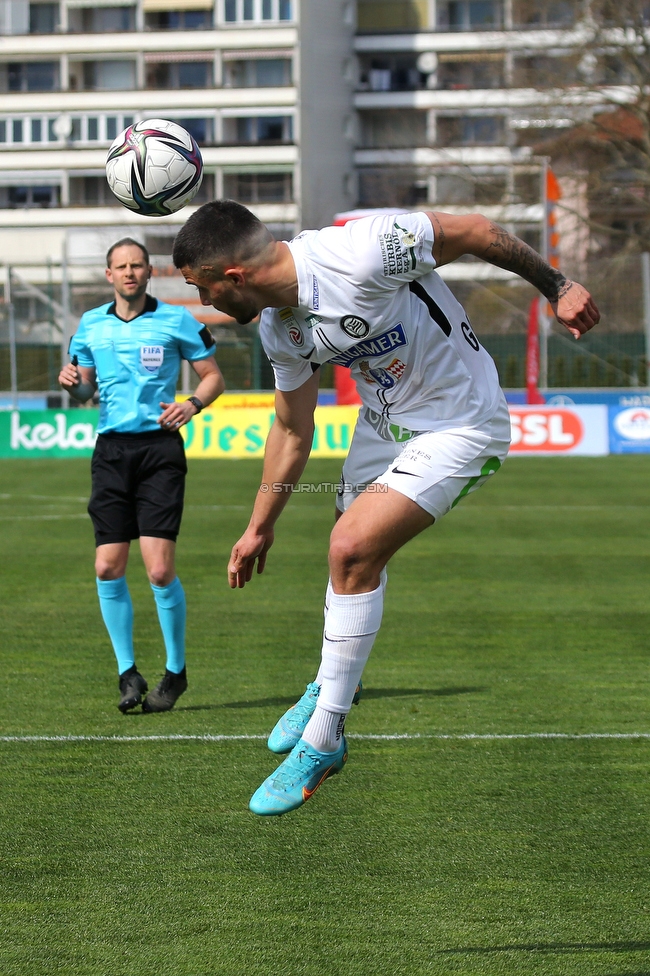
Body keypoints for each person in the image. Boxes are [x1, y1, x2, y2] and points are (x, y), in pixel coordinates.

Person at [172, 201, 599, 816]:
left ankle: (324, 739)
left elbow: (476, 230)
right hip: (384, 423)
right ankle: (329, 680)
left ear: (233, 276)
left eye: (203, 287)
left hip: (462, 423)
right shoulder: (280, 328)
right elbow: (293, 431)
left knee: (351, 547)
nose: (206, 303)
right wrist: (258, 527)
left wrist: (557, 288)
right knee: (350, 543)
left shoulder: (362, 251)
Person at [58, 237, 224, 714]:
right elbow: (84, 390)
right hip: (111, 451)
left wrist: (192, 403)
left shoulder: (176, 319)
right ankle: (128, 673)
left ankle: (176, 673)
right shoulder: (89, 326)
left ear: (150, 272)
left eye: (137, 265)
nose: (129, 273)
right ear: (109, 275)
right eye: (120, 266)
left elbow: (213, 376)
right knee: (107, 566)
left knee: (158, 569)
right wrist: (72, 384)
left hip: (159, 451)